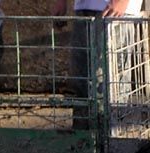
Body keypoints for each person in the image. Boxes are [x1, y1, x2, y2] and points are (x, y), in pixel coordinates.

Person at [52, 0, 144, 131]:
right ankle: (84, 135)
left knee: (112, 80)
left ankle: (112, 134)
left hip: (114, 10)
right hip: (83, 8)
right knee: (81, 78)